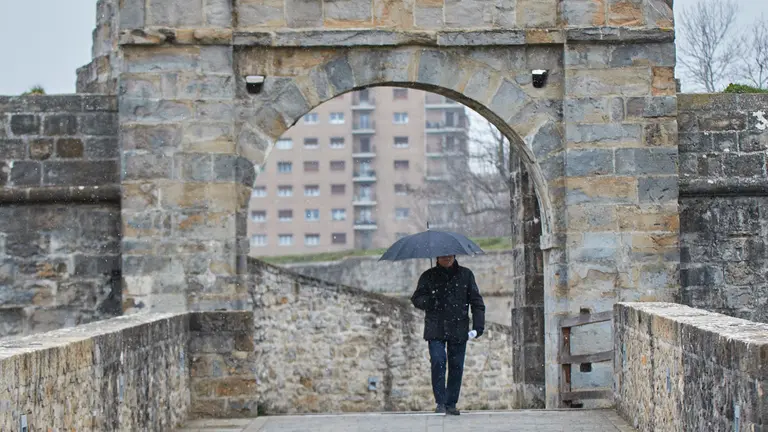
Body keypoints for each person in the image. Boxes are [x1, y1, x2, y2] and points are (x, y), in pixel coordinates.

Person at [410, 255, 485, 415]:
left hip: (458, 326)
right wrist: (430, 301)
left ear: (454, 256)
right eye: (443, 256)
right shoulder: (428, 276)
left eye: (449, 255)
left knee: (456, 365)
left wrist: (478, 326)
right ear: (437, 258)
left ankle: (451, 403)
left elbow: (476, 302)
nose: (447, 258)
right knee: (438, 361)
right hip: (435, 327)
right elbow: (416, 298)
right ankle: (440, 401)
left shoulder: (466, 275)